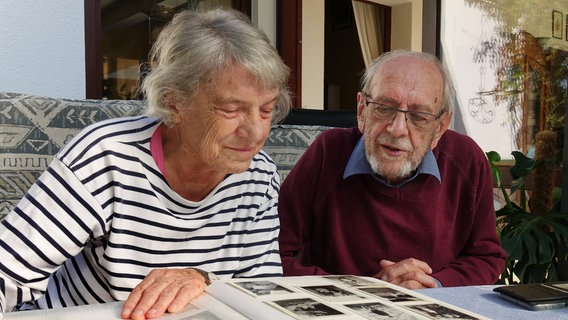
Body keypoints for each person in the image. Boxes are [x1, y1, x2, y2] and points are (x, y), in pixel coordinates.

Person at [0, 8, 291, 320]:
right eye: (232, 108)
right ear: (173, 102)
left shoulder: (259, 174)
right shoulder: (106, 156)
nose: (256, 132)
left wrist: (203, 278)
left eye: (266, 109)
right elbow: (8, 274)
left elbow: (263, 290)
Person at [278, 50, 506, 289]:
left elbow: (486, 257)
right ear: (361, 110)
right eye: (384, 108)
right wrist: (359, 288)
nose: (397, 129)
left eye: (418, 116)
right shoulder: (327, 153)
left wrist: (434, 285)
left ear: (440, 127)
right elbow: (270, 254)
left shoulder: (466, 160)